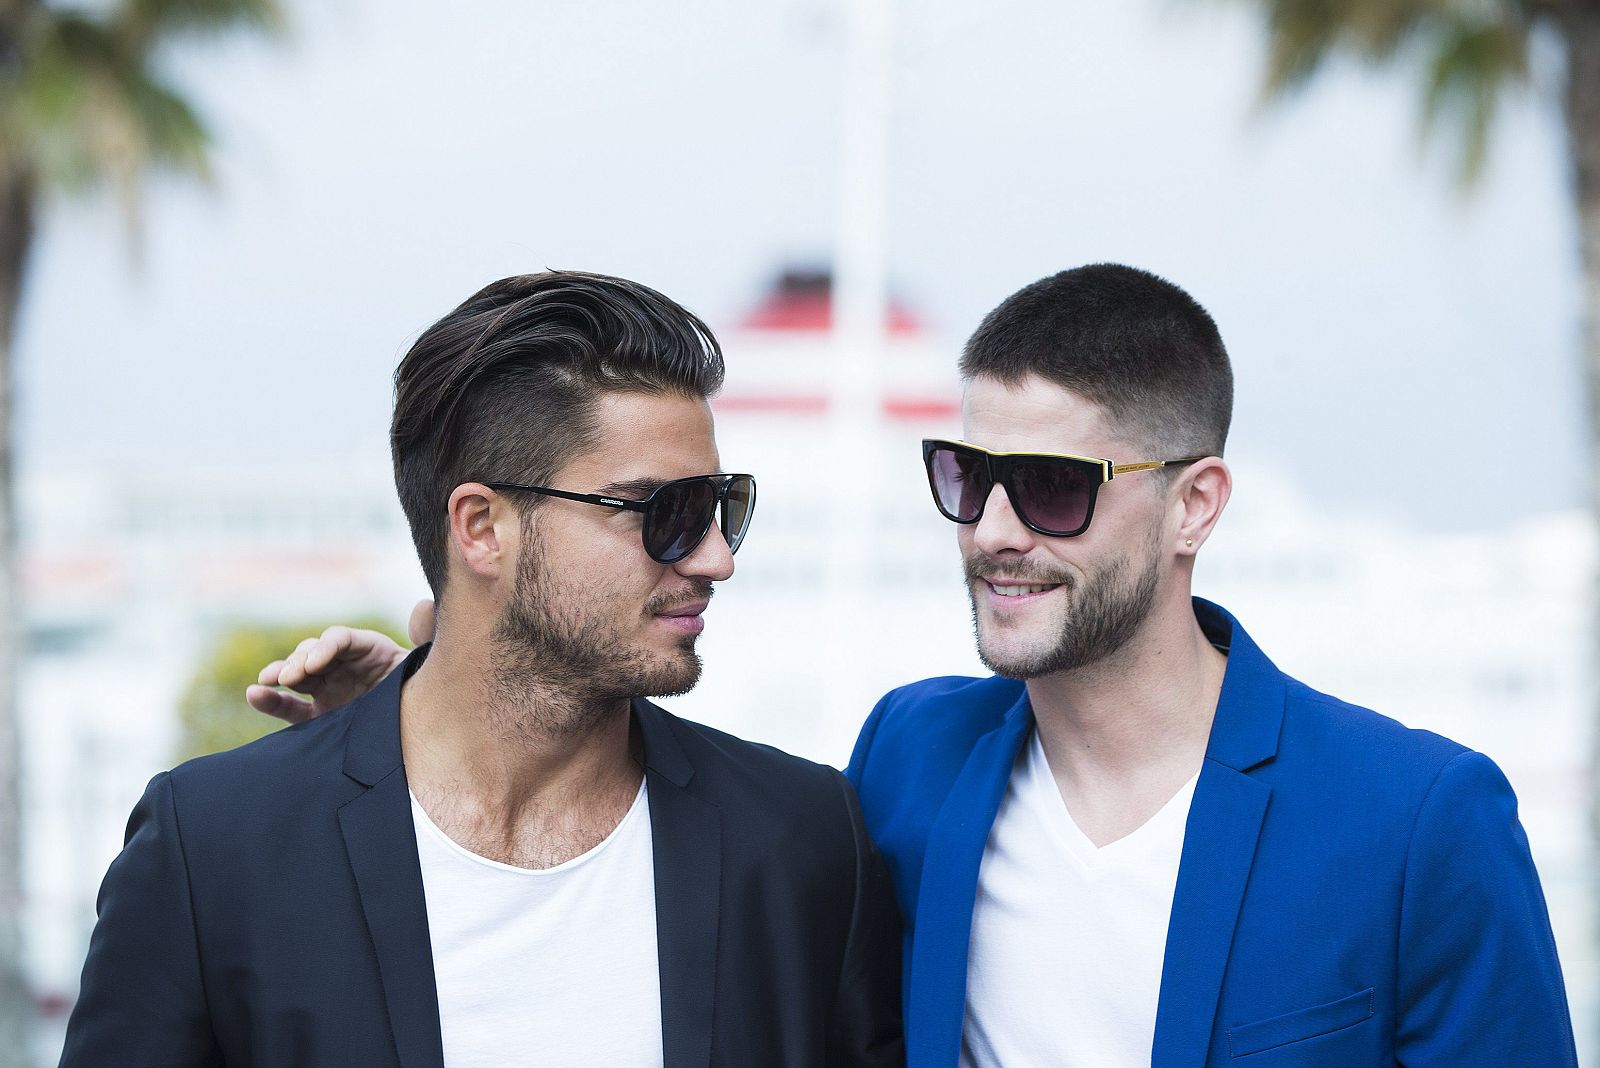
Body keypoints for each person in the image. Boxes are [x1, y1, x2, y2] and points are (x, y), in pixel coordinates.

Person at [255, 264, 1578, 1067]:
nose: (993, 531)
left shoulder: (1417, 819)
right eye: (967, 476)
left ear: (1196, 505)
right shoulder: (910, 762)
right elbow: (677, 834)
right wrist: (426, 711)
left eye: (1051, 487)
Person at [60, 272, 903, 1068]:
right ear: (482, 528)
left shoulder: (800, 840)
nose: (715, 558)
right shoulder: (213, 848)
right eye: (665, 512)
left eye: (720, 508)